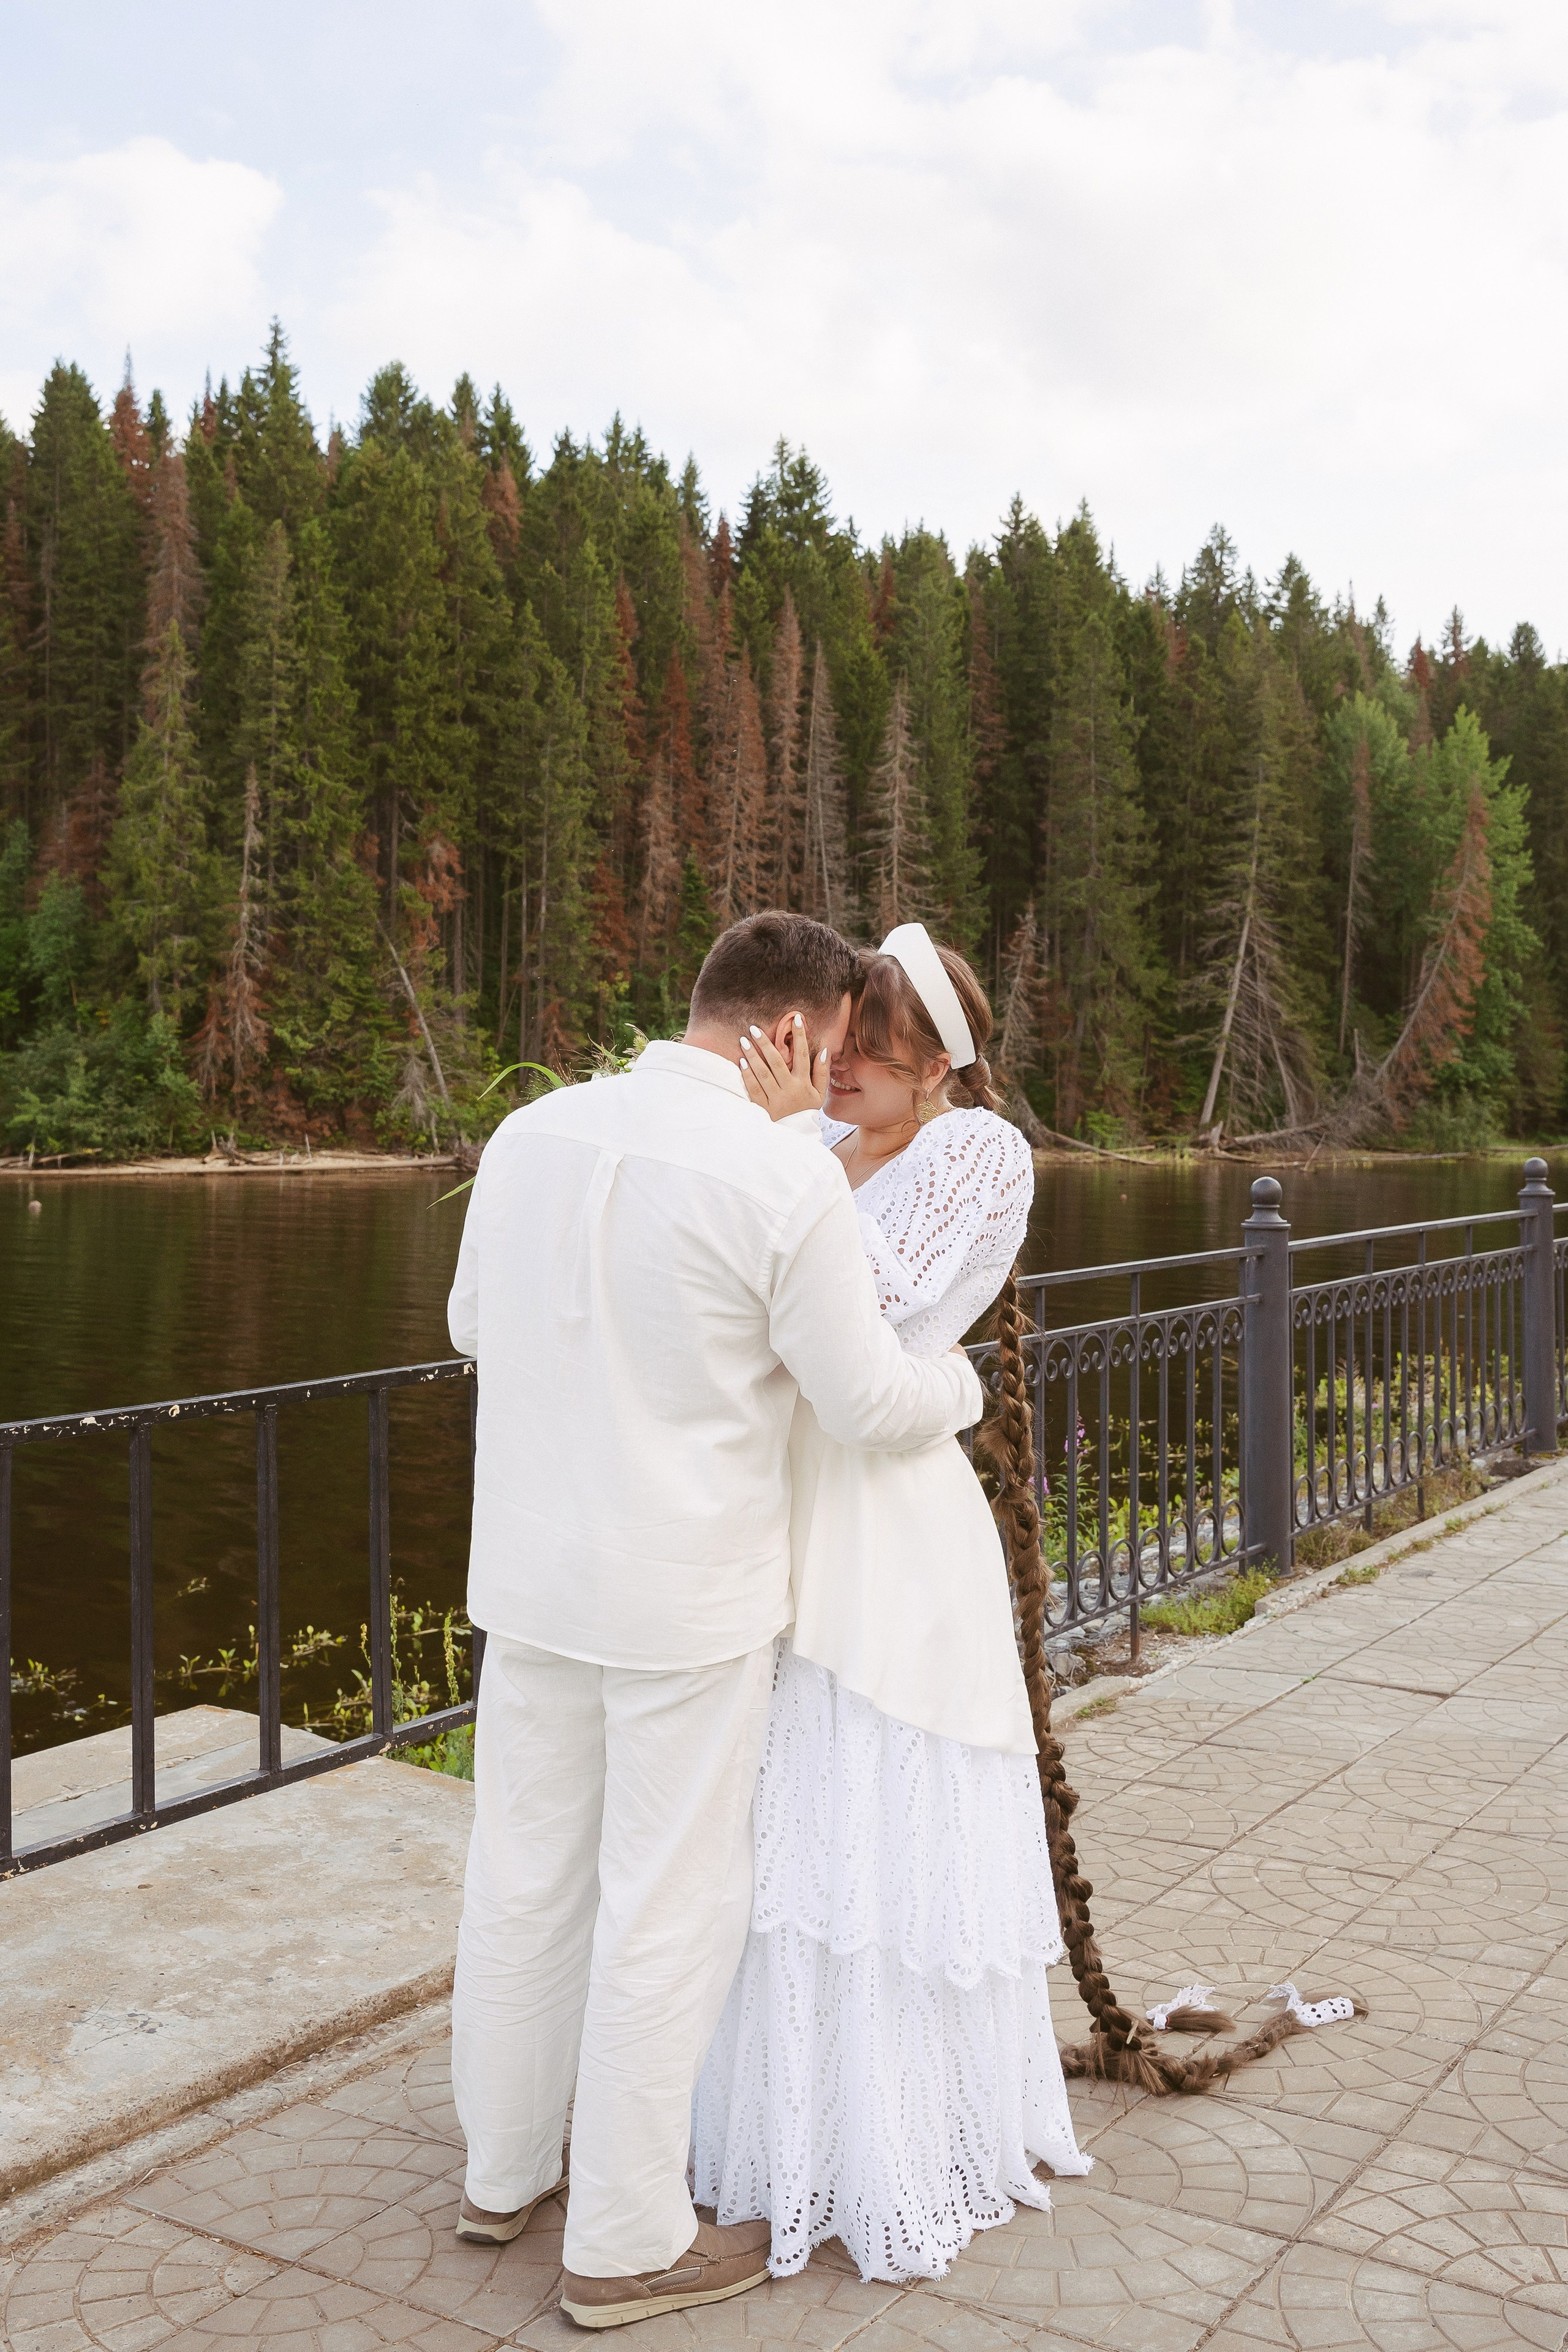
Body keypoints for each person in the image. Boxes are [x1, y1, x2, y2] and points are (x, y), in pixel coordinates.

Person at [445, 911, 987, 2330]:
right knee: (663, 1907)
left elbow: (468, 1328)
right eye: (837, 1045)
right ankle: (624, 2240)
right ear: (796, 1033)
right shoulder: (776, 1179)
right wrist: (965, 1394)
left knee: (520, 1874)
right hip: (683, 1599)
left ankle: (501, 2173)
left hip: (528, 1576)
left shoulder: (529, 1134)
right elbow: (866, 1400)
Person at [692, 923, 1090, 2284]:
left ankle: (894, 2137)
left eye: (871, 1041)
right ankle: (763, 2123)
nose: (842, 1061)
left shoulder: (980, 1154)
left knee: (867, 1797)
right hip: (777, 1500)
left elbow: (879, 1316)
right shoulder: (803, 1149)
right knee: (768, 1817)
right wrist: (787, 1149)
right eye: (836, 1034)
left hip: (887, 1519)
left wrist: (787, 1156)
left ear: (937, 1058)